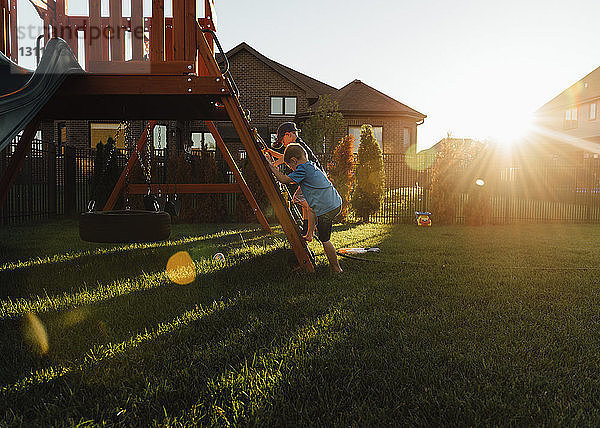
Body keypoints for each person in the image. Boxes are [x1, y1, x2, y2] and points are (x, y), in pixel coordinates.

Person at [266, 143, 343, 273]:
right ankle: (309, 234)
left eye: (291, 167)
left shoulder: (302, 169)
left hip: (327, 208)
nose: (293, 170)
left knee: (325, 239)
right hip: (334, 202)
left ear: (294, 161)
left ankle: (336, 268)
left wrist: (270, 166)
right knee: (311, 207)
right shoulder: (310, 165)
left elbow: (284, 179)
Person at [264, 122, 322, 237]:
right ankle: (306, 228)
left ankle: (314, 213)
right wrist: (271, 154)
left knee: (297, 198)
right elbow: (285, 157)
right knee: (303, 200)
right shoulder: (298, 144)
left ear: (288, 134)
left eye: (283, 140)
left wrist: (271, 164)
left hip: (313, 178)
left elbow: (284, 158)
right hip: (312, 177)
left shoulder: (296, 145)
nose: (283, 144)